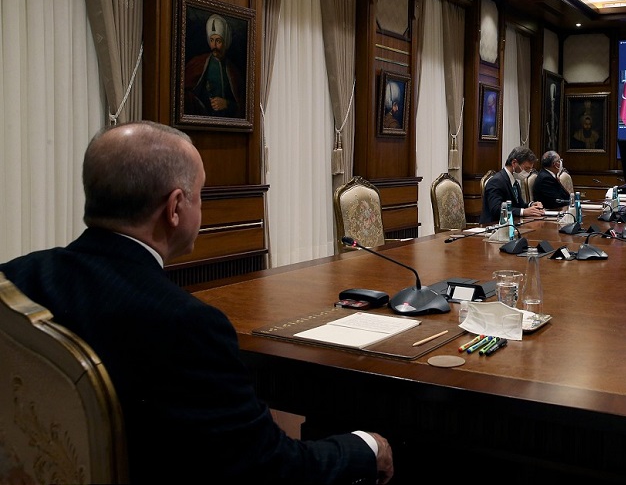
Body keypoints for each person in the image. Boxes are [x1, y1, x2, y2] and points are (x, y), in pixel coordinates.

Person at [0, 121, 394, 484]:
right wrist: (363, 447)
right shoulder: (185, 324)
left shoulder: (14, 279)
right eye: (200, 195)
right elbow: (268, 469)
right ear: (175, 208)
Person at [184, 13, 244, 118]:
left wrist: (227, 104)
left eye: (218, 41)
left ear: (225, 42)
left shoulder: (233, 71)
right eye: (212, 40)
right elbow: (184, 92)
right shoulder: (199, 63)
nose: (214, 46)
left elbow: (243, 105)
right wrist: (200, 105)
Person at [480, 146, 545, 223]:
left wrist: (531, 205)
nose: (528, 172)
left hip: (511, 223)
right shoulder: (496, 181)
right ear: (514, 163)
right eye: (526, 169)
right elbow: (496, 209)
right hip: (493, 225)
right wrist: (523, 212)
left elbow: (519, 205)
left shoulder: (514, 181)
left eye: (530, 169)